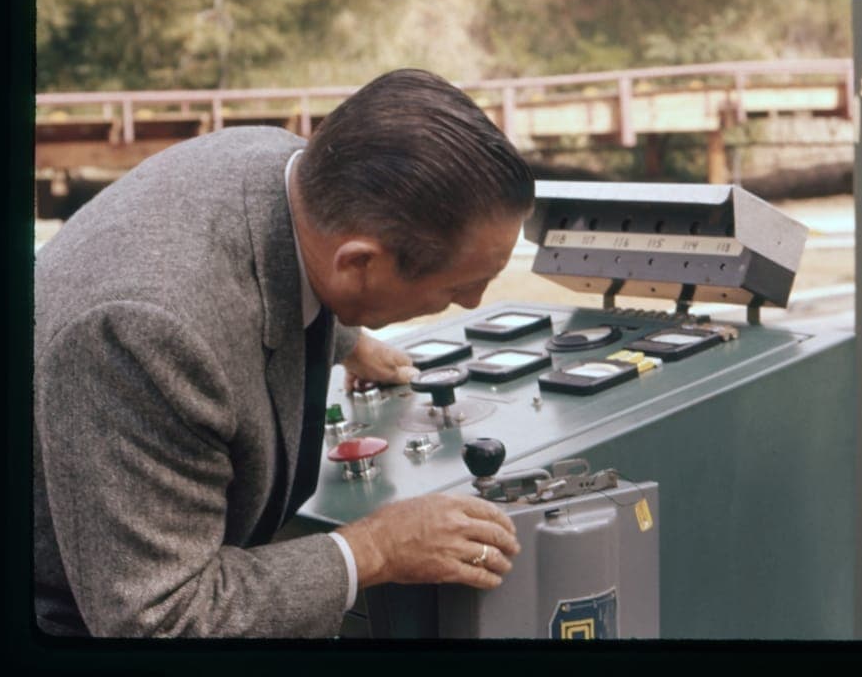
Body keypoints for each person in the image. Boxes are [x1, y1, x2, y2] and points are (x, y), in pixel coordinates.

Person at [33, 69, 534, 637]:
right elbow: (158, 621)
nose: (472, 302)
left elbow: (274, 253)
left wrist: (347, 340)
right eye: (455, 287)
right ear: (358, 266)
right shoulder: (148, 335)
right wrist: (373, 549)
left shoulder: (290, 167)